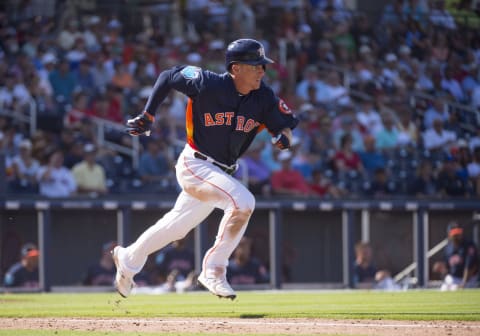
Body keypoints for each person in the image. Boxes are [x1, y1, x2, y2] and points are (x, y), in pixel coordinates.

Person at [112, 38, 298, 300]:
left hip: (220, 174)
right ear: (235, 68)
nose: (261, 70)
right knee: (243, 202)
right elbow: (168, 76)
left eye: (262, 65)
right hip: (195, 164)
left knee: (175, 228)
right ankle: (214, 269)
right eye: (255, 65)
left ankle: (128, 258)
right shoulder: (208, 82)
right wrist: (148, 114)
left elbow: (285, 127)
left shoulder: (264, 96)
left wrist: (283, 138)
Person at [432, 222, 479, 291]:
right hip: (454, 278)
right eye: (454, 234)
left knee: (455, 290)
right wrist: (442, 268)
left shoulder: (468, 246)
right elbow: (447, 267)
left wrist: (464, 283)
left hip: (469, 279)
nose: (457, 236)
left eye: (458, 233)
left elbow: (471, 266)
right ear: (449, 235)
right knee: (443, 289)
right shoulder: (448, 248)